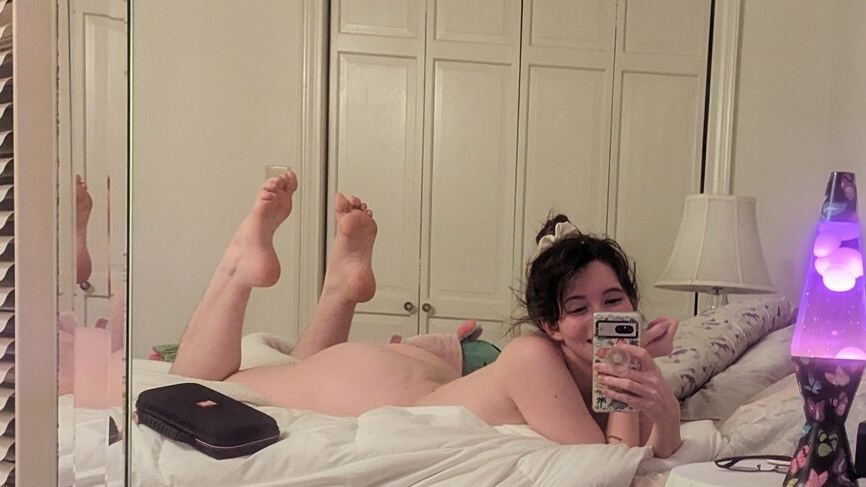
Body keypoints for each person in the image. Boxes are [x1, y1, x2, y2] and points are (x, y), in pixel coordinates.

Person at [170, 176, 683, 455]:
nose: (600, 318)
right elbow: (608, 463)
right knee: (198, 384)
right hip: (379, 387)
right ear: (551, 325)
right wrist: (630, 370)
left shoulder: (599, 368)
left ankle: (342, 286)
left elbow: (653, 448)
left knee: (295, 368)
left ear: (632, 304)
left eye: (613, 301)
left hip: (424, 378)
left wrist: (660, 405)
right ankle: (239, 265)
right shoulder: (534, 357)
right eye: (578, 308)